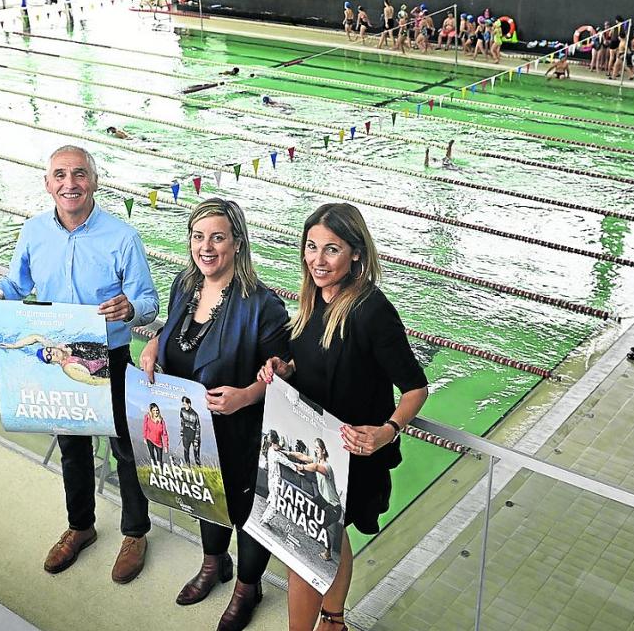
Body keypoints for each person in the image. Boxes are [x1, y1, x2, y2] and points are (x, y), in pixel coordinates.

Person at [0, 145, 160, 580]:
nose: (69, 184)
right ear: (47, 183)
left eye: (78, 174)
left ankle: (135, 533)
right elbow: (15, 285)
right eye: (60, 175)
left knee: (125, 449)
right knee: (72, 449)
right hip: (58, 358)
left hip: (108, 356)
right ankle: (80, 527)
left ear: (94, 181)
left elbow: (149, 303)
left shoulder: (122, 237)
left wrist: (130, 309)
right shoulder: (34, 231)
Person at [258, 203, 430, 631]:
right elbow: (312, 359)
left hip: (352, 453)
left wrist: (388, 431)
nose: (317, 260)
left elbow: (416, 388)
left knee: (303, 552)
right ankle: (334, 620)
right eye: (311, 247)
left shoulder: (372, 310)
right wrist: (285, 368)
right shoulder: (314, 298)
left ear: (356, 253)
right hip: (313, 442)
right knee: (329, 538)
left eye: (331, 249)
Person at [138, 198, 290, 630]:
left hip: (242, 430)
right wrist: (154, 344)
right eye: (198, 236)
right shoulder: (184, 286)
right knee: (206, 494)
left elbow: (285, 370)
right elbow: (176, 333)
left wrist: (247, 395)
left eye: (217, 238)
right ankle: (213, 563)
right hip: (196, 427)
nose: (206, 247)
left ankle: (247, 588)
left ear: (237, 243)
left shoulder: (262, 304)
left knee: (245, 509)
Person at [287, 438, 342, 562]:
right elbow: (302, 456)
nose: (316, 450)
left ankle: (328, 552)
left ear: (323, 451)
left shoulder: (327, 467)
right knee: (308, 506)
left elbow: (316, 467)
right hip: (324, 499)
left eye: (318, 448)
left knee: (322, 523)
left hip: (334, 506)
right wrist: (288, 453)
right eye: (315, 448)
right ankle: (312, 529)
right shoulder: (315, 460)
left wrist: (302, 467)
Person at [0, 335, 112, 386]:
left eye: (49, 350)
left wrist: (14, 345)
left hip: (103, 350)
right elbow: (92, 380)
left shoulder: (58, 347)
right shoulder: (69, 368)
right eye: (49, 357)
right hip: (105, 369)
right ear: (53, 362)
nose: (51, 353)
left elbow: (36, 337)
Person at [179, 396, 202, 466]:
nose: (184, 406)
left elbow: (198, 427)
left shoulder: (195, 414)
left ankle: (198, 466)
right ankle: (188, 465)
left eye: (185, 404)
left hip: (194, 435)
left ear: (189, 404)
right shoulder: (182, 411)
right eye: (183, 404)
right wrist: (182, 432)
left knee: (196, 452)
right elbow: (182, 422)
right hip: (186, 434)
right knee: (186, 451)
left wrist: (196, 440)